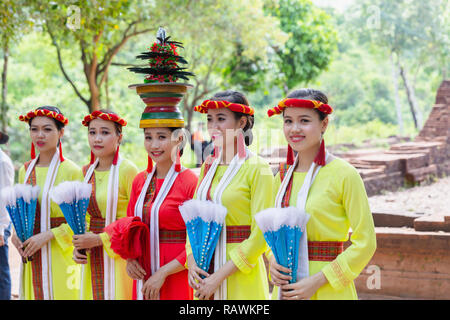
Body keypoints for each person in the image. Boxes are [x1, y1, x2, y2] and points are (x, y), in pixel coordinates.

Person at [267, 89, 377, 300]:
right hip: (286, 289)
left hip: (328, 289)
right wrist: (273, 259)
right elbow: (271, 232)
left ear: (324, 124)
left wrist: (318, 280)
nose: (294, 129)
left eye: (304, 120)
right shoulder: (281, 176)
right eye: (288, 121)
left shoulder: (344, 174)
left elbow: (366, 242)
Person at [186, 90, 274, 300]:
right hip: (204, 269)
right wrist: (191, 261)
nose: (213, 127)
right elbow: (195, 220)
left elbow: (261, 235)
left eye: (221, 119)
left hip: (240, 273)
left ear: (241, 122)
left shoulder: (258, 168)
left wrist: (218, 277)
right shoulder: (208, 166)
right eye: (209, 119)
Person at [123, 104, 198, 300]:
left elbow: (197, 240)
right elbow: (128, 227)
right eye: (148, 137)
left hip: (176, 272)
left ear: (179, 139)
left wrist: (163, 273)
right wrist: (130, 259)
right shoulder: (140, 181)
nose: (154, 145)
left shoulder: (191, 182)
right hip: (143, 272)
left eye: (161, 137)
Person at [13, 106, 83, 300]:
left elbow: (82, 220)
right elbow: (20, 209)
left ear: (61, 132)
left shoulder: (72, 171)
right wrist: (16, 236)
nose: (39, 135)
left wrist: (48, 235)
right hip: (32, 253)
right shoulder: (25, 170)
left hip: (60, 253)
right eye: (34, 129)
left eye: (47, 129)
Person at [72, 109, 138, 300]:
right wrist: (78, 247)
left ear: (119, 137)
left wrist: (101, 238)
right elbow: (83, 217)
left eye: (105, 132)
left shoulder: (128, 170)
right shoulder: (85, 172)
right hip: (92, 253)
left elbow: (133, 219)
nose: (97, 139)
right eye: (92, 132)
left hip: (119, 255)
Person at [0, 130, 14, 300]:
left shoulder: (2, 162)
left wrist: (1, 228)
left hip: (0, 221)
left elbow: (4, 197)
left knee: (1, 270)